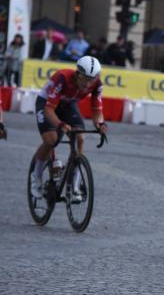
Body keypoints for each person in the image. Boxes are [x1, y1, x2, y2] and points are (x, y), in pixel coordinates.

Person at [30, 56, 109, 200]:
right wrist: (60, 125)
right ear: (77, 73)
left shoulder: (97, 84)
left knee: (80, 137)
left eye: (91, 79)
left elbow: (97, 110)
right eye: (85, 78)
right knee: (51, 140)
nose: (87, 84)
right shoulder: (62, 78)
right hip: (47, 104)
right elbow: (49, 110)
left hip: (68, 104)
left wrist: (100, 125)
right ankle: (36, 177)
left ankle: (75, 184)